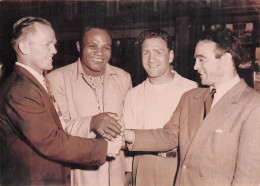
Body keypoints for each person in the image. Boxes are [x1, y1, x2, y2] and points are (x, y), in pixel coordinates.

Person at [124, 28, 260, 186]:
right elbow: (168, 136)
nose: (195, 66)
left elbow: (248, 177)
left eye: (201, 60)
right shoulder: (191, 97)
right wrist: (125, 134)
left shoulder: (253, 106)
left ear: (225, 60)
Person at [0, 17, 122, 186]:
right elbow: (51, 141)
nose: (54, 51)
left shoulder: (33, 82)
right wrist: (103, 148)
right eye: (47, 44)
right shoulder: (20, 90)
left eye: (54, 44)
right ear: (23, 47)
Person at [47, 26, 132, 186]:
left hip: (116, 172)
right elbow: (57, 131)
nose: (99, 53)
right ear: (79, 46)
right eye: (92, 46)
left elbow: (129, 126)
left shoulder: (123, 77)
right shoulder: (57, 79)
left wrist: (128, 170)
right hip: (79, 173)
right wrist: (91, 123)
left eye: (106, 47)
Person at [123, 29, 197, 186]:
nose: (151, 59)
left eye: (158, 52)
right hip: (143, 166)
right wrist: (129, 172)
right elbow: (128, 142)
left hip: (178, 166)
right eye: (146, 53)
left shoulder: (191, 89)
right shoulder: (133, 95)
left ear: (170, 56)